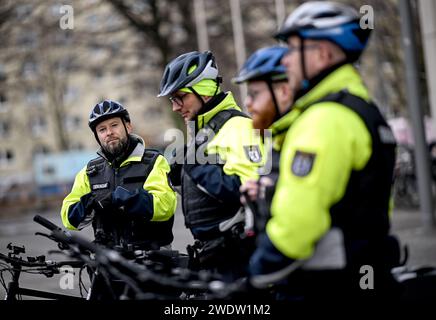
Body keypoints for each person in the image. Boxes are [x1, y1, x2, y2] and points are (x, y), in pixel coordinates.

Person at [245, 2, 400, 300]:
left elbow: (298, 224)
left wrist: (257, 275)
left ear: (323, 53)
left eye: (292, 48)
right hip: (365, 279)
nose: (286, 60)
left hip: (324, 288)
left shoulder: (324, 119)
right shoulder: (361, 109)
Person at [157, 50, 263, 280]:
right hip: (212, 257)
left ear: (204, 92)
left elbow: (252, 192)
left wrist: (196, 167)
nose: (175, 107)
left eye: (180, 97)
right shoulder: (206, 132)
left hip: (238, 261)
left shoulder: (237, 127)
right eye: (172, 100)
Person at [61, 99, 176, 252]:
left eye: (114, 125)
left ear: (128, 126)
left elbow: (165, 206)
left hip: (152, 259)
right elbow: (68, 219)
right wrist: (90, 203)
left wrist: (123, 198)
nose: (109, 133)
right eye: (102, 129)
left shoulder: (153, 161)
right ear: (97, 136)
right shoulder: (90, 171)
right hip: (108, 262)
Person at [233, 46, 293, 235]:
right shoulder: (276, 137)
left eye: (255, 94)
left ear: (283, 91)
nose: (247, 103)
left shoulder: (306, 133)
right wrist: (261, 193)